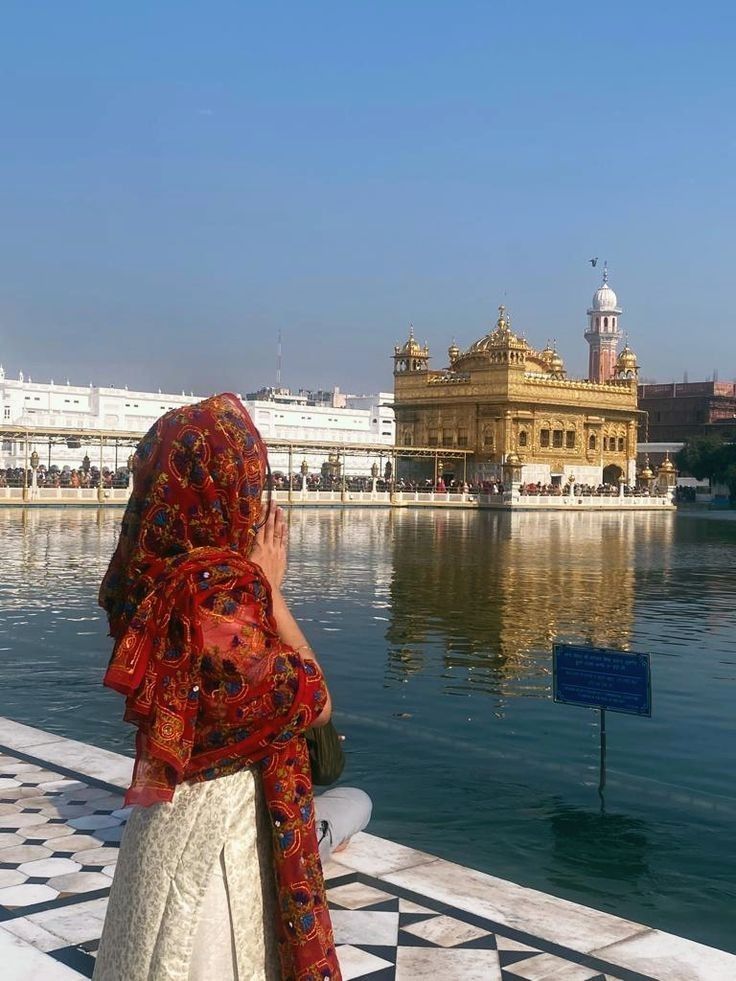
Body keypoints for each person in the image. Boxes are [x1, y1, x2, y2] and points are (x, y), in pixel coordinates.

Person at [93, 393, 341, 981]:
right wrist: (268, 590)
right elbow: (314, 700)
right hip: (216, 847)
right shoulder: (217, 599)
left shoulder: (151, 581)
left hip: (164, 831)